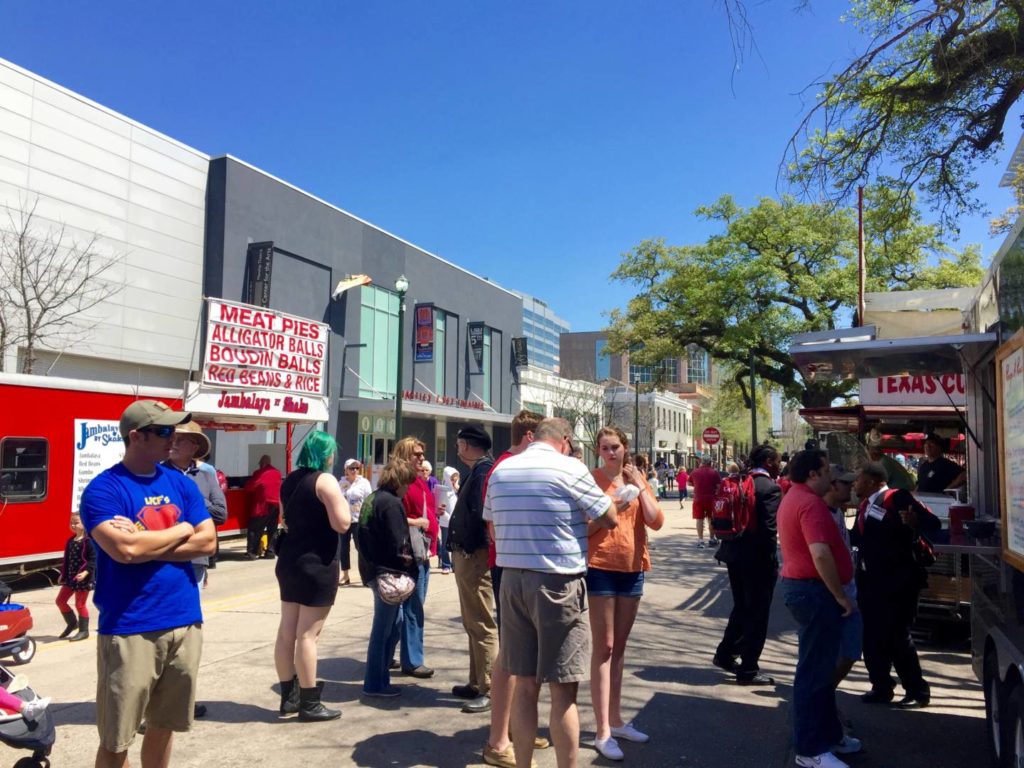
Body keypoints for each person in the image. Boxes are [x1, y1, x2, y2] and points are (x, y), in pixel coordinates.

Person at [79, 399, 216, 768]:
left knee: (164, 726)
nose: (174, 438)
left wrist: (148, 542)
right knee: (116, 738)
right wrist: (182, 529)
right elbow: (124, 549)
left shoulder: (178, 482)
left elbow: (208, 541)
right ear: (136, 437)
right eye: (165, 431)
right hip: (130, 628)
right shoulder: (103, 490)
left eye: (175, 431)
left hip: (184, 622)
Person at [484, 417, 619, 768]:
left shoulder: (502, 471)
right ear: (564, 440)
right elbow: (609, 517)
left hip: (512, 580)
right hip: (558, 581)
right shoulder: (570, 467)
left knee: (525, 684)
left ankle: (524, 762)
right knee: (563, 690)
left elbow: (494, 529)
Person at [777, 450, 860, 768]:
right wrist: (839, 595)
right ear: (812, 474)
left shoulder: (796, 497)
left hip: (809, 590)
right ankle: (810, 750)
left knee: (821, 671)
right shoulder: (810, 503)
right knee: (813, 673)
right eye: (826, 470)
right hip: (813, 592)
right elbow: (821, 554)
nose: (831, 476)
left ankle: (829, 736)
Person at [587, 426, 665, 760]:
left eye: (615, 447)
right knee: (603, 647)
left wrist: (639, 486)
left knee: (619, 648)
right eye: (604, 448)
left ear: (625, 448)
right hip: (601, 566)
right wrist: (615, 507)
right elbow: (584, 527)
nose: (610, 453)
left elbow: (656, 521)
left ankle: (616, 720)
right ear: (598, 451)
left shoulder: (638, 479)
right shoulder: (590, 480)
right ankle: (602, 729)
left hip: (633, 568)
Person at [481, 409, 547, 768]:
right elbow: (493, 527)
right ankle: (498, 739)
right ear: (530, 438)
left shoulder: (508, 466)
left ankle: (519, 726)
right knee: (511, 654)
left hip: (516, 567)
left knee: (525, 655)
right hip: (509, 568)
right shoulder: (504, 468)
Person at [273, 430, 351, 722]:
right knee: (308, 635)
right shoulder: (325, 480)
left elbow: (285, 518)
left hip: (290, 561)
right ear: (326, 454)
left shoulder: (289, 480)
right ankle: (310, 702)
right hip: (317, 563)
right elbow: (342, 523)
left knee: (287, 631)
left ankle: (288, 697)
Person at [852, 462, 941, 709]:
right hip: (870, 582)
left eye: (858, 478)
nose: (854, 483)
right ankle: (881, 686)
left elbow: (932, 524)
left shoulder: (897, 497)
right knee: (872, 636)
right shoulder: (865, 505)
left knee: (897, 637)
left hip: (898, 583)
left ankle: (917, 690)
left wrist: (913, 523)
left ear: (873, 481)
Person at [713, 445, 782, 686]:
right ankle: (749, 669)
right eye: (778, 460)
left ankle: (725, 654)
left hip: (733, 553)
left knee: (742, 607)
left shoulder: (740, 480)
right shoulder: (770, 488)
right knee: (758, 613)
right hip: (758, 560)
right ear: (769, 461)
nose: (780, 464)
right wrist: (774, 561)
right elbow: (769, 531)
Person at [357, 459, 419, 697]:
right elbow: (399, 543)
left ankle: (379, 678)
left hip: (373, 568)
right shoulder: (392, 503)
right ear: (400, 482)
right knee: (383, 630)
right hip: (389, 572)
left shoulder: (373, 498)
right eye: (406, 485)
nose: (407, 490)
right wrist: (410, 567)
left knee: (393, 625)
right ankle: (375, 682)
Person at [448, 423, 497, 714]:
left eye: (459, 444)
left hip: (475, 557)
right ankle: (476, 681)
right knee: (472, 621)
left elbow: (480, 516)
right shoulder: (479, 471)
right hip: (469, 555)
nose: (457, 449)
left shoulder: (482, 472)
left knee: (481, 623)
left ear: (467, 445)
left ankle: (490, 686)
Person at [391, 436, 438, 679]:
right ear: (404, 456)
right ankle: (413, 660)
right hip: (411, 553)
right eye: (416, 454)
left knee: (407, 607)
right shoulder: (401, 483)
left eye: (422, 454)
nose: (421, 458)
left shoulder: (418, 481)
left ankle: (391, 653)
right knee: (412, 607)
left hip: (423, 551)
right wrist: (418, 521)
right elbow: (391, 514)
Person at [163, 421, 228, 589]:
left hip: (196, 557)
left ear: (194, 447)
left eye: (181, 439)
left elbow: (221, 514)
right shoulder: (157, 473)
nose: (174, 443)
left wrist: (191, 498)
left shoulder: (206, 476)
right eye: (172, 438)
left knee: (191, 612)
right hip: (164, 554)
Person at [822, 467, 862, 713]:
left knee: (849, 651)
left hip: (848, 590)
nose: (852, 487)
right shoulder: (823, 514)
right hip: (839, 596)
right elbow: (821, 556)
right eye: (846, 484)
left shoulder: (836, 512)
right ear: (833, 486)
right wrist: (839, 595)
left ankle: (826, 702)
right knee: (843, 653)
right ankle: (824, 703)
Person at [55, 512, 95, 642]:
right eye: (71, 522)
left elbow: (94, 560)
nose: (73, 525)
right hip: (70, 578)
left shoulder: (88, 542)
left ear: (84, 524)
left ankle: (84, 631)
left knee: (80, 604)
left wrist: (86, 572)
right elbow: (67, 560)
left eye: (76, 522)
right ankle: (72, 623)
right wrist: (63, 574)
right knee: (60, 601)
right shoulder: (70, 541)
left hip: (83, 579)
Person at [338, 459, 372, 586]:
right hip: (344, 519)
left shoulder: (364, 483)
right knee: (343, 548)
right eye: (351, 468)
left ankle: (366, 575)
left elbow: (369, 500)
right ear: (345, 469)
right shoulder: (341, 483)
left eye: (356, 468)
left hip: (359, 519)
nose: (354, 471)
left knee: (361, 547)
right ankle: (345, 575)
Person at [245, 455, 283, 559]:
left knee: (255, 528)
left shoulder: (260, 473)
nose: (259, 465)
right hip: (275, 505)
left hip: (263, 505)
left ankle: (252, 552)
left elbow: (250, 487)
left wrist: (246, 484)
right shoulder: (277, 472)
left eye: (260, 463)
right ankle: (270, 552)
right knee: (272, 529)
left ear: (262, 463)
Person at [690, 457, 720, 548]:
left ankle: (700, 540)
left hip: (698, 498)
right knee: (711, 519)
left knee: (699, 519)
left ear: (701, 462)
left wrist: (697, 485)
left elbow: (689, 483)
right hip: (711, 498)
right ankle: (711, 539)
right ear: (710, 463)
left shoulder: (695, 472)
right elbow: (719, 486)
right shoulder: (714, 472)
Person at [435, 466, 459, 575]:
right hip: (446, 521)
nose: (454, 479)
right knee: (445, 543)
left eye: (456, 477)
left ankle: (454, 564)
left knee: (455, 543)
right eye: (453, 477)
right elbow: (441, 507)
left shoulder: (457, 490)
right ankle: (446, 564)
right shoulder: (443, 490)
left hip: (456, 521)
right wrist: (447, 517)